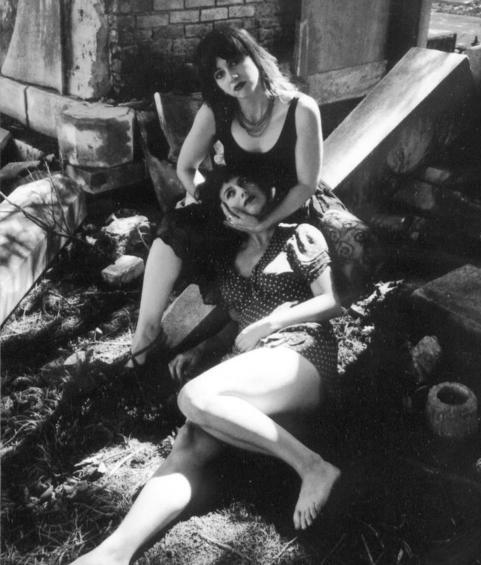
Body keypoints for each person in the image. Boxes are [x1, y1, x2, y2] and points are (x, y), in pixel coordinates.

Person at [70, 168, 344, 565]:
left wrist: (272, 323)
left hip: (300, 350)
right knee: (189, 441)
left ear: (271, 196)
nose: (237, 199)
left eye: (247, 191)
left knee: (194, 397)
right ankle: (113, 553)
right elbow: (237, 316)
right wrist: (203, 349)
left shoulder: (298, 236)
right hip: (254, 361)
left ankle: (313, 467)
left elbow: (335, 300)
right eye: (229, 193)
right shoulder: (231, 256)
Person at [128, 25, 371, 368]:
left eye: (234, 62)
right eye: (219, 74)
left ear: (254, 57)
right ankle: (145, 335)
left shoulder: (301, 109)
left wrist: (263, 222)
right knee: (175, 227)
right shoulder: (216, 110)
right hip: (239, 209)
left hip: (289, 209)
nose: (231, 77)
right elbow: (186, 167)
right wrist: (211, 202)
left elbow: (305, 184)